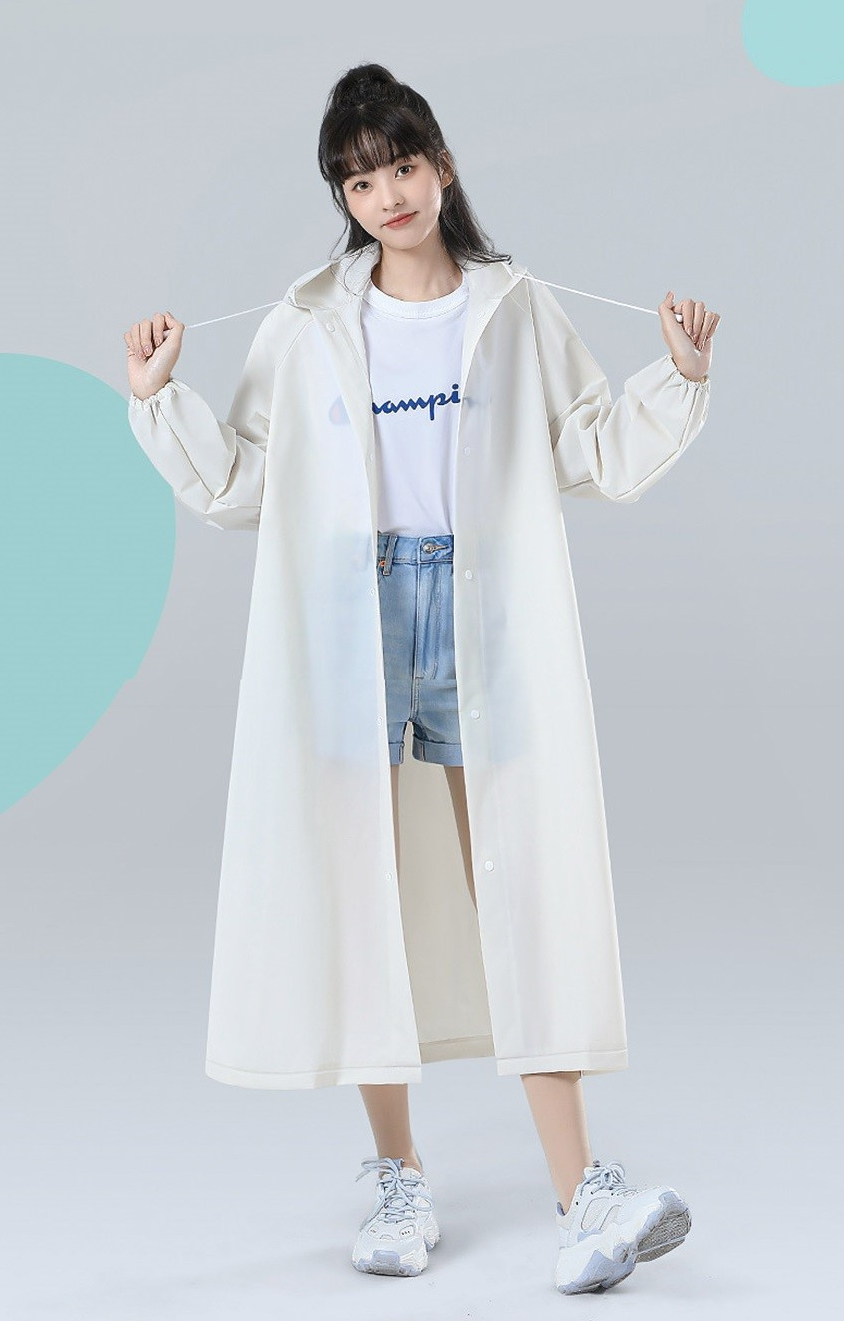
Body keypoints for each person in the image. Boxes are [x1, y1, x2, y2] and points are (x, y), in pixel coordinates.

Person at [124, 62, 718, 1295]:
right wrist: (158, 400)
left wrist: (678, 377)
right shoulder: (305, 324)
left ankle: (583, 1196)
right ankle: (398, 1178)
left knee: (522, 879)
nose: (385, 194)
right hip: (353, 614)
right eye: (359, 180)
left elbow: (594, 452)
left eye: (400, 165)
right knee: (365, 890)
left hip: (484, 610)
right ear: (343, 198)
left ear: (441, 166)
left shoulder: (513, 306)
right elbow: (244, 484)